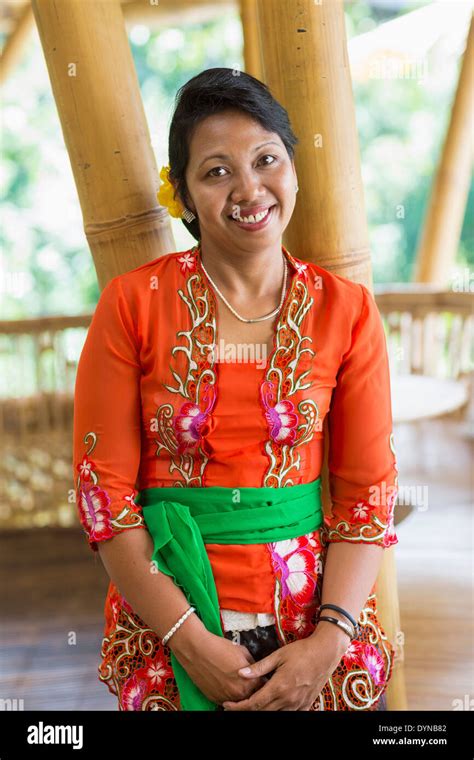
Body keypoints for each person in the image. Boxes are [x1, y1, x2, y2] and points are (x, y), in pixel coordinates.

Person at [72, 67, 399, 712]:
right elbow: (102, 494)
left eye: (265, 159)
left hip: (312, 632)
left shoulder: (348, 310)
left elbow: (367, 495)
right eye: (216, 171)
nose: (249, 188)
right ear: (185, 196)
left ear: (293, 170)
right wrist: (188, 640)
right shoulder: (134, 303)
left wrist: (328, 642)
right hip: (170, 621)